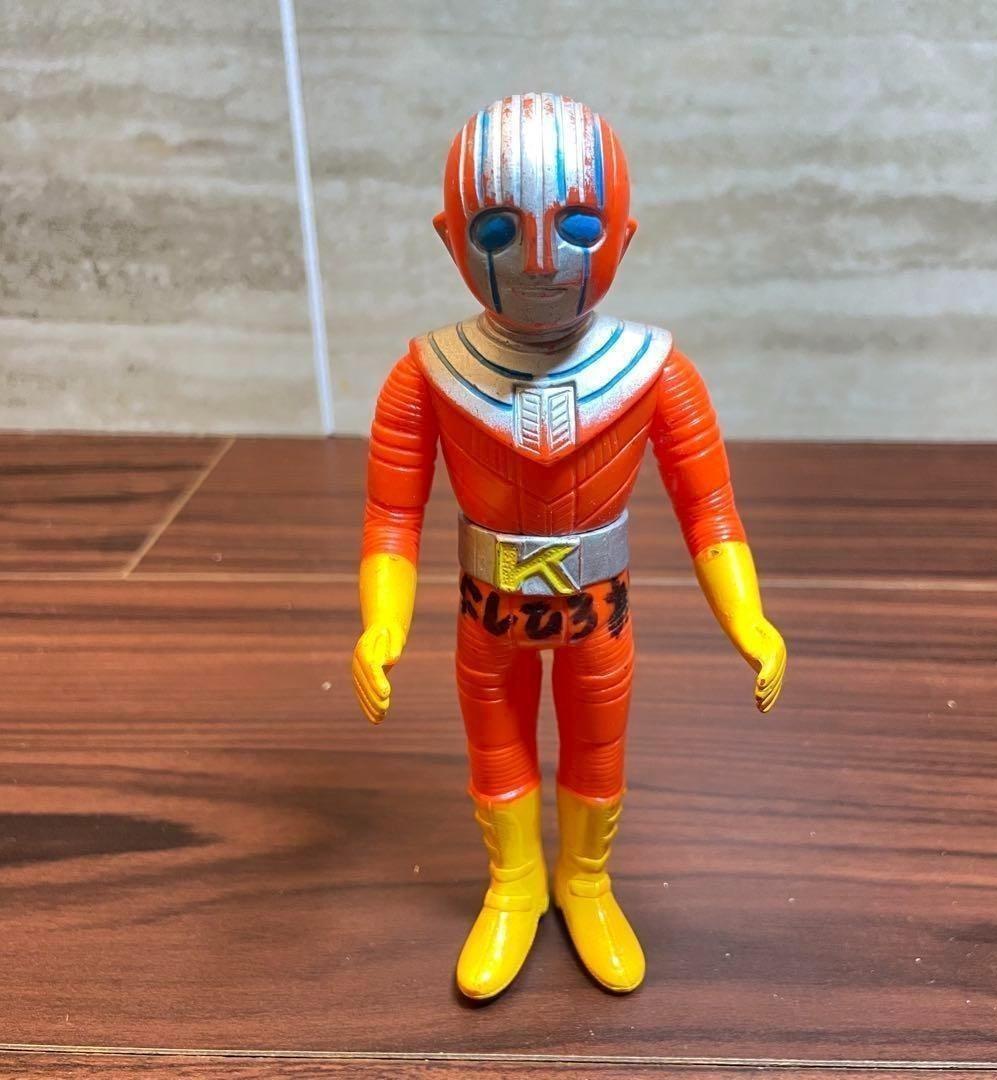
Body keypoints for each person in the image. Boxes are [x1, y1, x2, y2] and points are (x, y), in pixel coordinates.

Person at [352, 92, 786, 1000]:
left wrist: (748, 618)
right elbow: (391, 519)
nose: (543, 260)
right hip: (488, 614)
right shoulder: (425, 376)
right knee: (495, 743)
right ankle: (514, 883)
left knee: (598, 744)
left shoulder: (657, 372)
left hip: (598, 614)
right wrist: (381, 627)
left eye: (578, 226)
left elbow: (711, 511)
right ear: (450, 239)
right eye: (500, 230)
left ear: (624, 236)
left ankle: (585, 880)